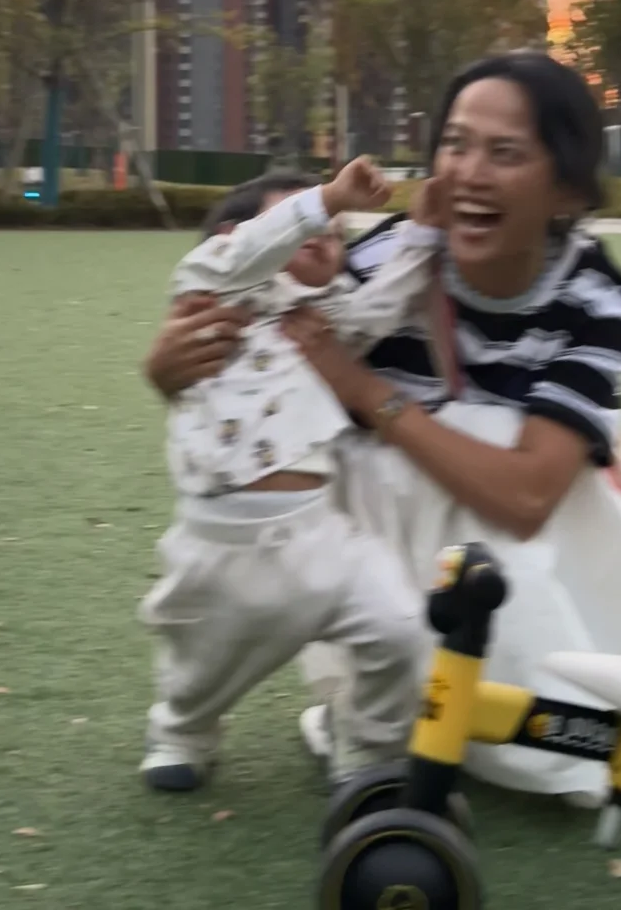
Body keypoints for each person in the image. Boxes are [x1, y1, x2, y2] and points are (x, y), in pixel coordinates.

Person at [145, 52, 621, 806]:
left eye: (505, 153)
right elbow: (254, 371)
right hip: (384, 538)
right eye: (455, 145)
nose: (469, 173)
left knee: (581, 693)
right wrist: (170, 371)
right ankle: (379, 709)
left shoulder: (594, 298)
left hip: (531, 540)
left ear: (567, 189)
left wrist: (363, 390)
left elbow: (527, 498)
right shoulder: (382, 260)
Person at [139, 159, 446, 793]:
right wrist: (330, 195)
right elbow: (256, 247)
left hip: (321, 534)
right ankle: (182, 731)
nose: (325, 235)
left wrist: (422, 235)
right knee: (204, 665)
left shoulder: (322, 319)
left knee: (399, 628)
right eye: (307, 222)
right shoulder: (210, 287)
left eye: (336, 234)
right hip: (221, 541)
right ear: (229, 235)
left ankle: (370, 748)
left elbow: (381, 306)